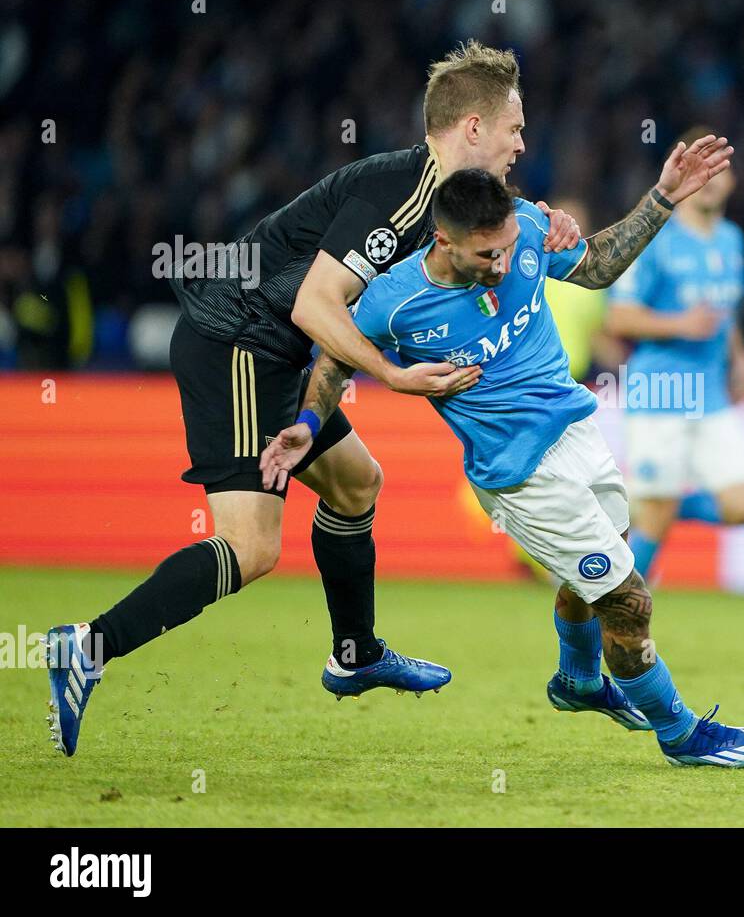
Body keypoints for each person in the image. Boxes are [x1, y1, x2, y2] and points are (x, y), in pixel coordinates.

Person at [44, 41, 583, 757]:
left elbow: (502, 233)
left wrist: (553, 225)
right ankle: (86, 646)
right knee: (251, 546)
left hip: (276, 355)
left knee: (357, 483)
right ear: (474, 127)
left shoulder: (449, 203)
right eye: (514, 127)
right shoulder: (401, 193)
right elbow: (313, 305)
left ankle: (355, 654)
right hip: (235, 344)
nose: (522, 143)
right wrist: (390, 377)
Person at [262, 150, 744, 768]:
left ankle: (579, 681)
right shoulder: (393, 302)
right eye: (486, 255)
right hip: (520, 475)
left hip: (578, 432)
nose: (502, 263)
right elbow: (334, 357)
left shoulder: (530, 229)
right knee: (628, 599)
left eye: (507, 247)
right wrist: (310, 423)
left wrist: (662, 197)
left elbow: (597, 267)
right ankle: (681, 733)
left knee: (593, 572)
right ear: (443, 240)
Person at [605, 126, 744, 580]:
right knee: (654, 514)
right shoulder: (658, 238)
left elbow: (722, 311)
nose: (711, 176)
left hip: (710, 394)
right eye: (701, 165)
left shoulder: (731, 239)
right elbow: (618, 319)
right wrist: (679, 324)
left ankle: (649, 500)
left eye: (721, 167)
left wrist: (741, 355)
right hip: (662, 391)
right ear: (686, 173)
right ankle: (621, 610)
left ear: (732, 180)